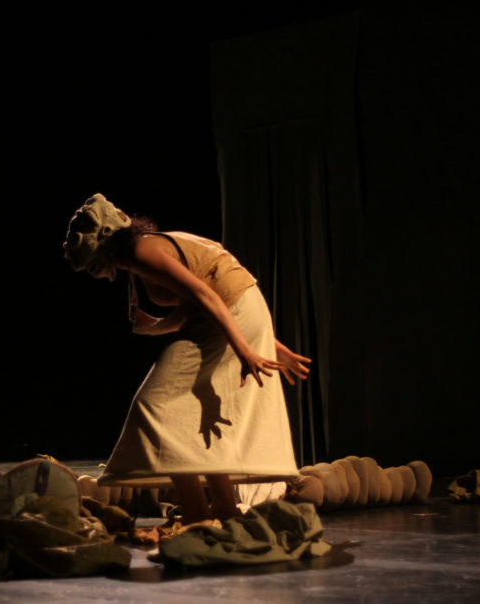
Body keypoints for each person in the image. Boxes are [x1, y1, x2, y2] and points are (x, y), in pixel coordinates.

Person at [63, 194, 310, 522]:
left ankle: (197, 513)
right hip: (235, 310)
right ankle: (223, 507)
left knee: (153, 407)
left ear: (104, 245)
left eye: (91, 263)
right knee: (189, 413)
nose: (94, 272)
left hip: (232, 311)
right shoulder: (144, 251)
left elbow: (208, 295)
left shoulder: (142, 252)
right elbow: (196, 305)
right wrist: (154, 328)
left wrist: (248, 349)